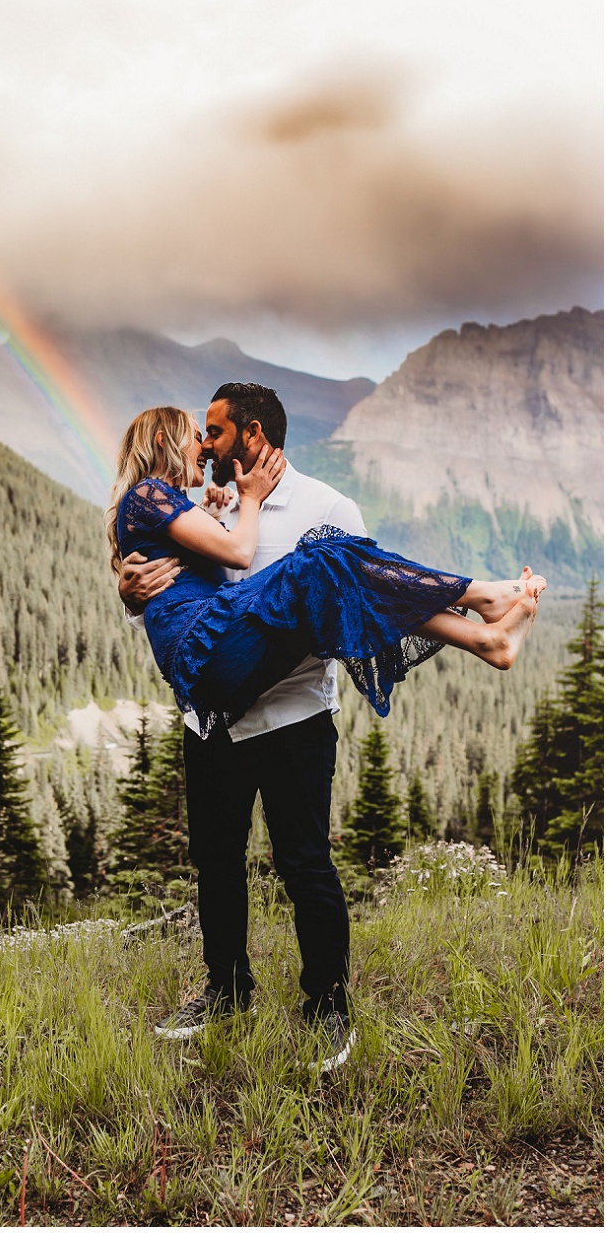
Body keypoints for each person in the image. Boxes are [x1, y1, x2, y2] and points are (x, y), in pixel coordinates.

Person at [113, 384, 542, 1071]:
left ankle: (327, 1007)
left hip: (294, 717)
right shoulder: (198, 505)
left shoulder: (326, 505)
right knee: (217, 865)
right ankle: (224, 994)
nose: (207, 446)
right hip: (214, 720)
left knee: (305, 863)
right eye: (200, 435)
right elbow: (165, 595)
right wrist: (128, 591)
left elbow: (369, 602)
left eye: (216, 434)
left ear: (251, 435)